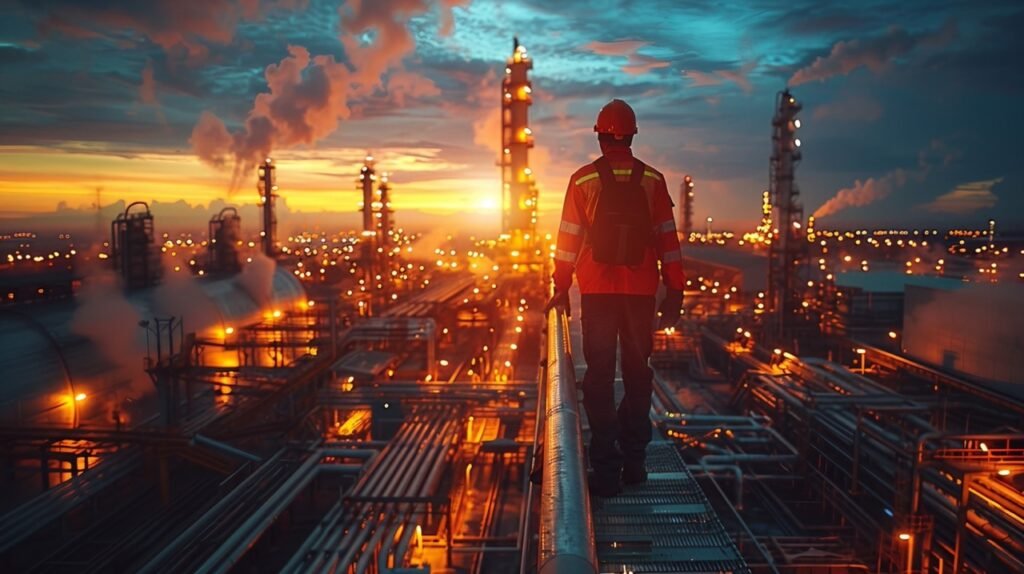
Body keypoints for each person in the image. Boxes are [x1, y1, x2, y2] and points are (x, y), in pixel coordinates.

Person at [545, 99, 684, 497]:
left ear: (601, 135)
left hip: (597, 293)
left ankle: (605, 467)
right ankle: (635, 462)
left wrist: (560, 285)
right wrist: (674, 289)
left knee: (600, 378)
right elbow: (668, 242)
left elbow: (567, 240)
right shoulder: (653, 181)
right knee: (639, 375)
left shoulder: (583, 180)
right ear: (633, 135)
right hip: (641, 294)